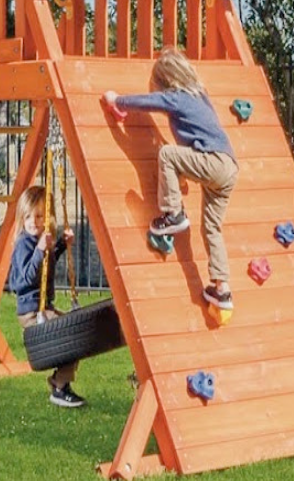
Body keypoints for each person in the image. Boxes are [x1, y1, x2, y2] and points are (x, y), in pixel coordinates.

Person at [102, 46, 239, 313]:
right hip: (228, 167)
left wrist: (117, 100)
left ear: (167, 82)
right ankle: (222, 289)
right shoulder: (200, 96)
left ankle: (173, 214)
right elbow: (198, 134)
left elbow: (148, 103)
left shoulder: (176, 98)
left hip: (212, 161)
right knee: (211, 228)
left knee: (167, 154)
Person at [8, 184, 85, 409]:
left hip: (44, 307)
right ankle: (60, 387)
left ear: (48, 217)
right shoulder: (23, 243)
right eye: (28, 216)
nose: (34, 221)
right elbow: (24, 281)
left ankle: (61, 383)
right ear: (22, 218)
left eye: (39, 216)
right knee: (72, 333)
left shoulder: (41, 239)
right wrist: (41, 249)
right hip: (32, 312)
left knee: (77, 332)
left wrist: (60, 244)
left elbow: (45, 266)